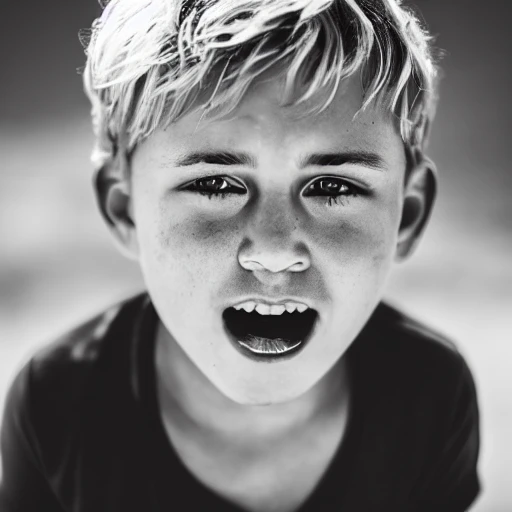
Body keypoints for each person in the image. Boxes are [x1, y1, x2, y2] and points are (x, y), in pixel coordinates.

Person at [0, 0, 481, 510]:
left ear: (406, 215)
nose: (273, 252)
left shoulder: (431, 395)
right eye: (214, 183)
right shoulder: (58, 406)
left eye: (333, 185)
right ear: (124, 208)